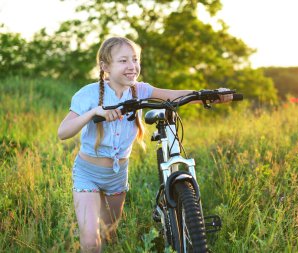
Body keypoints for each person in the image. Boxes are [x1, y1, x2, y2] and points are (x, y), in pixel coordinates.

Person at [57, 36, 232, 252]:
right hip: (88, 173)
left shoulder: (139, 89)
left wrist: (212, 95)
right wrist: (94, 112)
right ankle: (85, 231)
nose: (132, 66)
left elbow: (174, 96)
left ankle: (93, 229)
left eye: (135, 59)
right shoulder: (88, 94)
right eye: (123, 61)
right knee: (91, 242)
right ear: (105, 67)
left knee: (109, 233)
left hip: (117, 175)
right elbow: (63, 132)